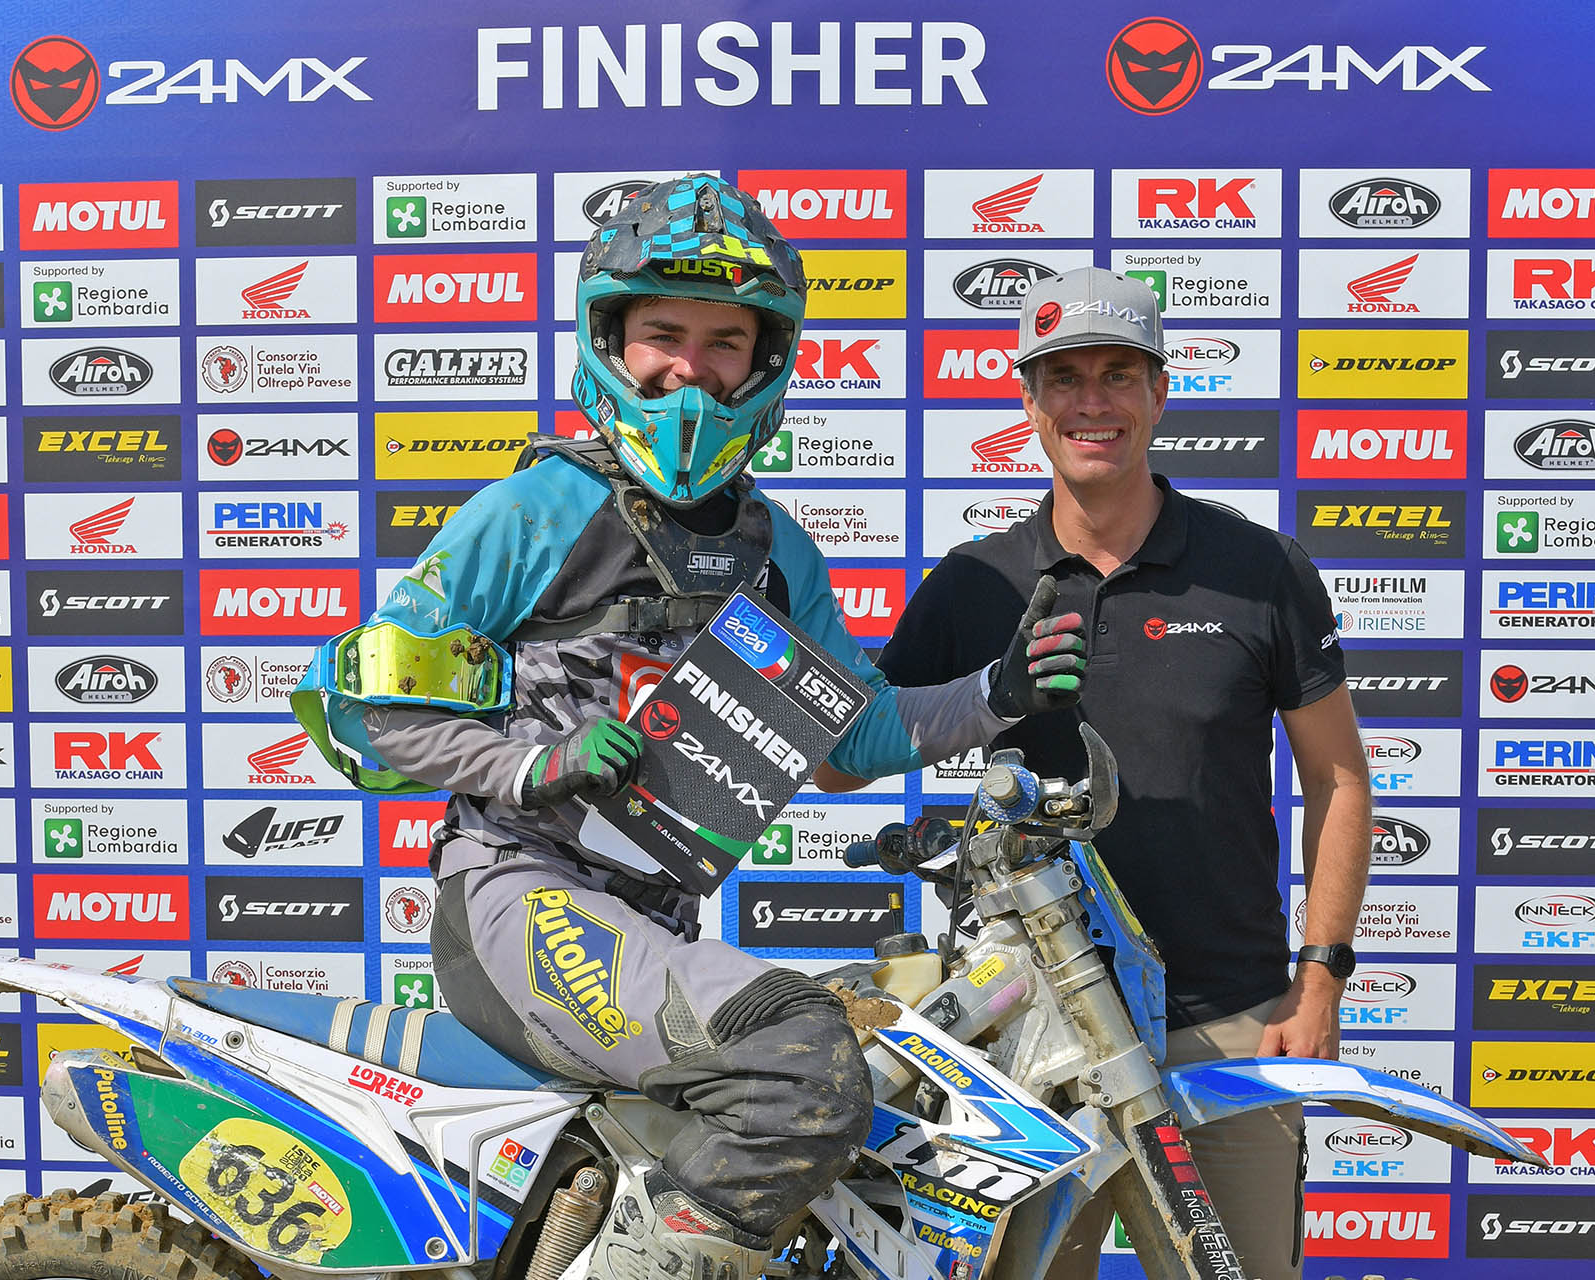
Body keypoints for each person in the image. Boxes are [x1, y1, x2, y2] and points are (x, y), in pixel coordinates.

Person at [292, 176, 1087, 1280]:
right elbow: (363, 708)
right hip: (521, 892)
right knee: (800, 1062)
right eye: (664, 334)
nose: (690, 369)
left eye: (724, 342)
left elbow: (854, 736)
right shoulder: (534, 510)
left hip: (651, 919)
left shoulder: (774, 549)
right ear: (610, 340)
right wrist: (531, 763)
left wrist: (997, 693)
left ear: (767, 360)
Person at [863, 268, 1373, 1280]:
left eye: (1118, 375)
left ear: (1160, 393)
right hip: (1028, 1033)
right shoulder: (975, 581)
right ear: (1029, 401)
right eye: (1064, 378)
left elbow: (1340, 778)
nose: (1090, 402)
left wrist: (1319, 976)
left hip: (1227, 1023)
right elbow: (852, 755)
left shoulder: (1258, 569)